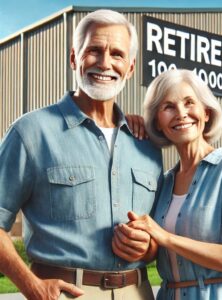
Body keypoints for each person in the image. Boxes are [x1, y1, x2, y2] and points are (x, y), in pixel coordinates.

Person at [0, 9, 163, 300]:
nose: (105, 62)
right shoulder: (31, 132)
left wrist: (149, 247)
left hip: (138, 292)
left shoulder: (146, 144)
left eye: (117, 54)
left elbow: (159, 233)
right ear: (74, 58)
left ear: (131, 67)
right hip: (65, 293)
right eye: (94, 50)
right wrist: (30, 284)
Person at [113, 69, 222, 300]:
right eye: (168, 107)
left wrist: (165, 237)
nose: (181, 114)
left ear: (206, 112)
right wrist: (128, 125)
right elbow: (152, 248)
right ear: (158, 122)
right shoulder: (163, 183)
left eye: (189, 102)